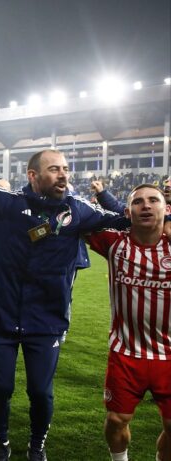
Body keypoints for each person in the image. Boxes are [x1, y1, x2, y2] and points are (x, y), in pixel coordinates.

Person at [0, 118, 130, 461]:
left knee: (41, 393)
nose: (63, 175)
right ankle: (1, 441)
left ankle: (37, 446)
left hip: (46, 321)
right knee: (0, 388)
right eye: (54, 169)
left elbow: (122, 220)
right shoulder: (7, 204)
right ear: (33, 175)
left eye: (65, 169)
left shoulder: (77, 210)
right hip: (0, 317)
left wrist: (158, 214)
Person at [84, 184, 171, 461]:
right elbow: (76, 221)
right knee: (116, 420)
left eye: (153, 200)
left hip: (169, 356)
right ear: (127, 212)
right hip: (126, 353)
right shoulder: (114, 242)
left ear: (166, 209)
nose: (146, 206)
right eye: (138, 202)